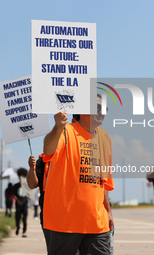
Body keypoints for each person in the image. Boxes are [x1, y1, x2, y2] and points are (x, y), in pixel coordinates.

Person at [42, 94, 114, 255]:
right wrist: (58, 127)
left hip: (97, 222)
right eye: (97, 107)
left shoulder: (105, 138)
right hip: (66, 222)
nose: (101, 112)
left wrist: (108, 212)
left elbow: (102, 181)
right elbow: (47, 149)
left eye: (104, 109)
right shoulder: (66, 131)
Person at [12, 168, 29, 237]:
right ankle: (18, 227)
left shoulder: (27, 185)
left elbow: (29, 195)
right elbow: (13, 194)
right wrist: (17, 200)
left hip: (25, 204)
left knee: (25, 219)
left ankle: (24, 231)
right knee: (17, 218)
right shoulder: (16, 185)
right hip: (18, 205)